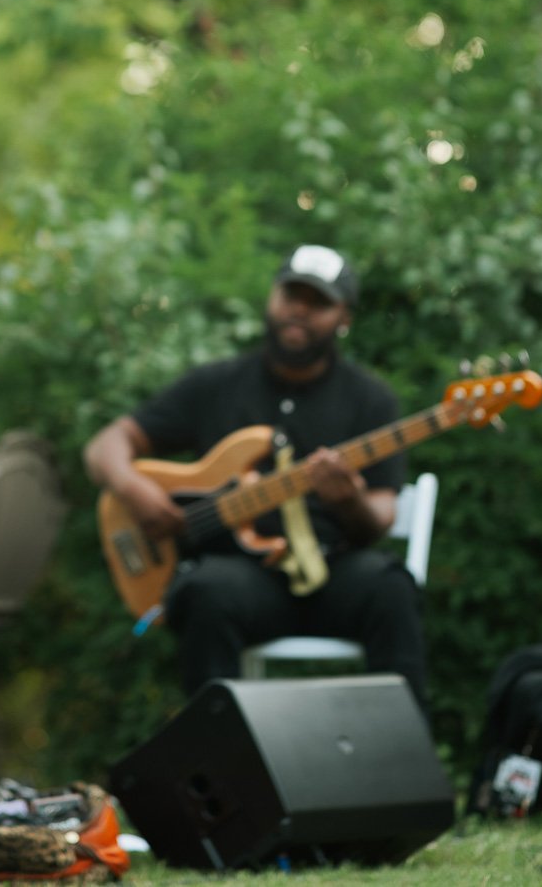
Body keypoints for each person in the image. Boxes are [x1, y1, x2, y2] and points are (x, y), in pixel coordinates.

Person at [82, 245, 427, 704]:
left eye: (319, 302)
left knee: (391, 587)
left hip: (334, 573)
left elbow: (380, 514)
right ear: (272, 297)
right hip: (242, 581)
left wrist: (349, 500)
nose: (300, 310)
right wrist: (132, 488)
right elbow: (106, 446)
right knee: (206, 591)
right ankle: (216, 745)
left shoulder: (371, 400)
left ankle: (402, 742)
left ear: (344, 317)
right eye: (292, 295)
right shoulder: (215, 385)